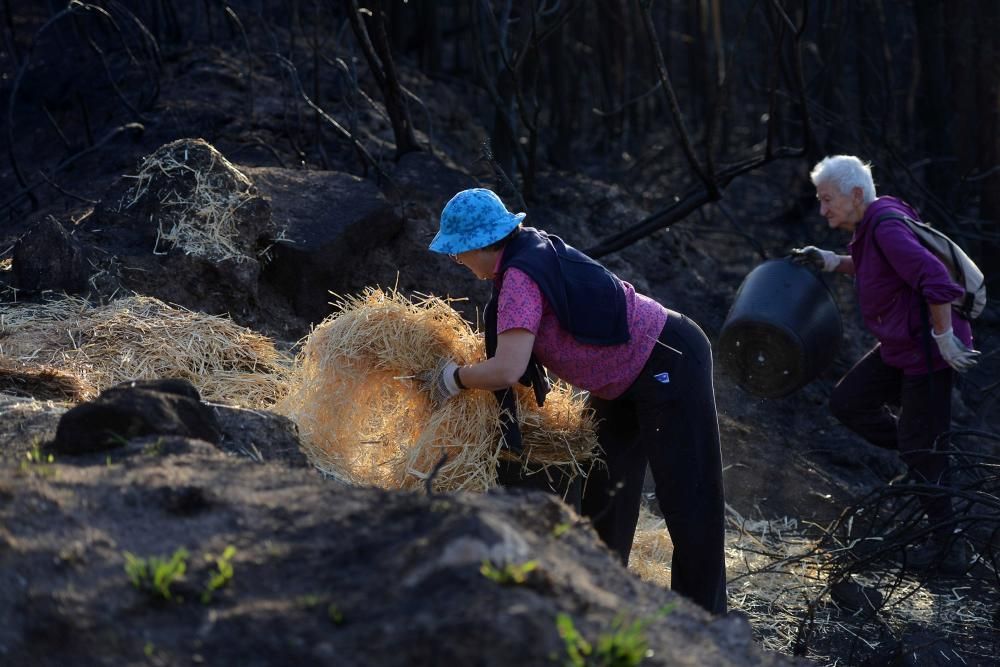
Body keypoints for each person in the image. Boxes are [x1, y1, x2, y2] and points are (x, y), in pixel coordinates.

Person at [422, 187, 728, 615]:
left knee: (688, 499)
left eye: (457, 252)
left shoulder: (519, 279)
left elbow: (508, 368)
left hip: (668, 358)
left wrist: (452, 379)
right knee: (604, 490)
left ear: (478, 244)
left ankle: (707, 625)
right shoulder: (521, 258)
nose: (456, 261)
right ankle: (602, 605)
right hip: (621, 381)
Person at [792, 155, 979, 572]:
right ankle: (921, 449)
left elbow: (937, 282)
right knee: (848, 402)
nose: (823, 210)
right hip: (901, 347)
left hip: (928, 352)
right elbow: (879, 266)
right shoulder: (873, 225)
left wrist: (945, 338)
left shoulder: (887, 226)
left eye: (827, 200)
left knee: (922, 448)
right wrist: (830, 260)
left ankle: (950, 548)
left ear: (856, 194)